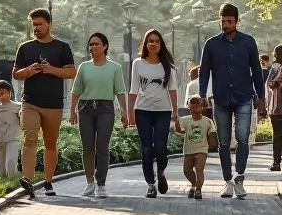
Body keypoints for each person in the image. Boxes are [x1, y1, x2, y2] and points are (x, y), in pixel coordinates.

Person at [198, 3, 266, 199]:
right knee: (224, 142)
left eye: (229, 21)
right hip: (220, 99)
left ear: (237, 21)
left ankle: (240, 178)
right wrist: (203, 94)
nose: (225, 24)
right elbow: (204, 72)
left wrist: (260, 98)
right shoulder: (211, 44)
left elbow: (256, 71)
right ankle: (227, 181)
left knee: (243, 138)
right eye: (222, 21)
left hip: (244, 97)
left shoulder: (248, 42)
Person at [13, 8, 76, 198]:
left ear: (49, 24)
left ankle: (48, 182)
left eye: (40, 24)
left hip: (53, 104)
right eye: (34, 25)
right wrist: (29, 70)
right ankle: (28, 179)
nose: (37, 28)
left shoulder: (62, 47)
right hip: (30, 102)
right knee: (30, 138)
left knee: (50, 144)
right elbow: (16, 74)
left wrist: (51, 69)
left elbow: (71, 72)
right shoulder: (25, 48)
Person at [69, 32, 129, 198]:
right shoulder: (84, 67)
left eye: (96, 44)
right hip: (85, 109)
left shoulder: (115, 68)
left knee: (102, 146)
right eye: (90, 44)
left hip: (106, 109)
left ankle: (101, 184)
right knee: (88, 146)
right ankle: (90, 183)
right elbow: (76, 91)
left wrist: (125, 113)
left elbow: (120, 92)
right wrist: (73, 111)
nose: (92, 47)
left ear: (105, 46)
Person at [129, 29, 181, 198]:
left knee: (160, 148)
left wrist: (175, 112)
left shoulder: (169, 67)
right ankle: (150, 184)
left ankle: (161, 172)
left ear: (160, 45)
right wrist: (130, 113)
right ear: (145, 43)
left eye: (157, 41)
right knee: (146, 149)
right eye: (150, 41)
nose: (153, 44)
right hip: (142, 111)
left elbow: (173, 91)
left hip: (163, 112)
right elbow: (133, 90)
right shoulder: (138, 63)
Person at [180, 95, 215, 198]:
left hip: (202, 149)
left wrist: (212, 143)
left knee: (199, 170)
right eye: (192, 107)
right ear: (189, 107)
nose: (195, 109)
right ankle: (194, 185)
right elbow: (180, 131)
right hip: (188, 150)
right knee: (187, 170)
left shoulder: (207, 121)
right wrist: (177, 127)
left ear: (202, 107)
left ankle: (198, 190)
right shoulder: (185, 120)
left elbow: (211, 131)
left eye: (197, 107)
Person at [0, 81, 22, 178]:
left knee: (10, 161)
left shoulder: (18, 106)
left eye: (3, 93)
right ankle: (3, 182)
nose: (1, 96)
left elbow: (23, 121)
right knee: (1, 167)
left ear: (9, 93)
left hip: (13, 138)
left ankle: (12, 179)